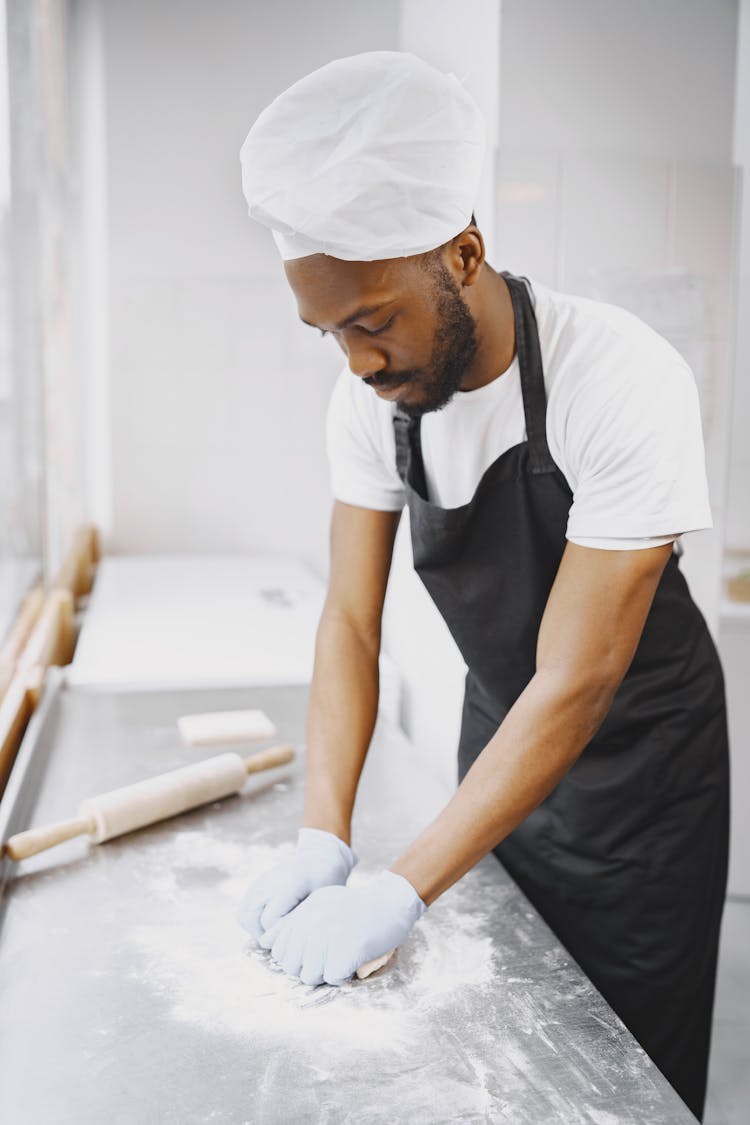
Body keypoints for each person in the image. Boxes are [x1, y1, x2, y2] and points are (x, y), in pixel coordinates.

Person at [236, 51, 729, 1121]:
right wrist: (327, 834)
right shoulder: (370, 403)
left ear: (463, 253)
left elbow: (579, 678)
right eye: (328, 334)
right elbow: (350, 623)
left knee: (621, 1080)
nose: (356, 363)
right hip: (498, 751)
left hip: (642, 785)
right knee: (504, 1046)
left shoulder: (621, 379)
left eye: (370, 321)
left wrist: (402, 883)